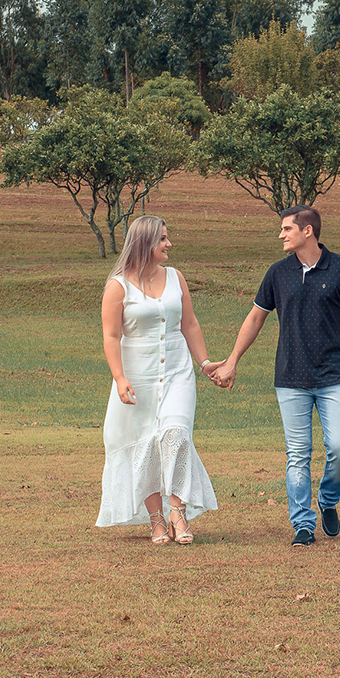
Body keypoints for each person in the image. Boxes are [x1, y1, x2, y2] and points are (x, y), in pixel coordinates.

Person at [211, 205, 340, 547]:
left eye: (287, 229)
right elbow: (256, 318)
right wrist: (232, 360)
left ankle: (328, 500)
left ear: (307, 231)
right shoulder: (277, 273)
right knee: (298, 455)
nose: (281, 235)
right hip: (291, 378)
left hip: (335, 376)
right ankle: (302, 524)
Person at [95, 215, 218, 544]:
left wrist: (203, 362)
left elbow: (189, 324)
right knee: (147, 442)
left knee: (175, 434)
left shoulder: (176, 278)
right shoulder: (118, 286)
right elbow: (110, 335)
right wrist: (119, 378)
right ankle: (156, 519)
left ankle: (177, 511)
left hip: (178, 370)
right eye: (162, 239)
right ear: (145, 243)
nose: (169, 244)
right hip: (138, 375)